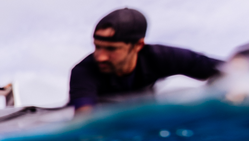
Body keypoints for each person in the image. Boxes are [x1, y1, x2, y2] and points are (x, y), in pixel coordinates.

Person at [69, 8, 223, 115]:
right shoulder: (83, 71)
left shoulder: (161, 56)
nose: (100, 56)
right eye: (97, 46)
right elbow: (84, 117)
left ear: (138, 45)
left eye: (111, 49)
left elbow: (228, 68)